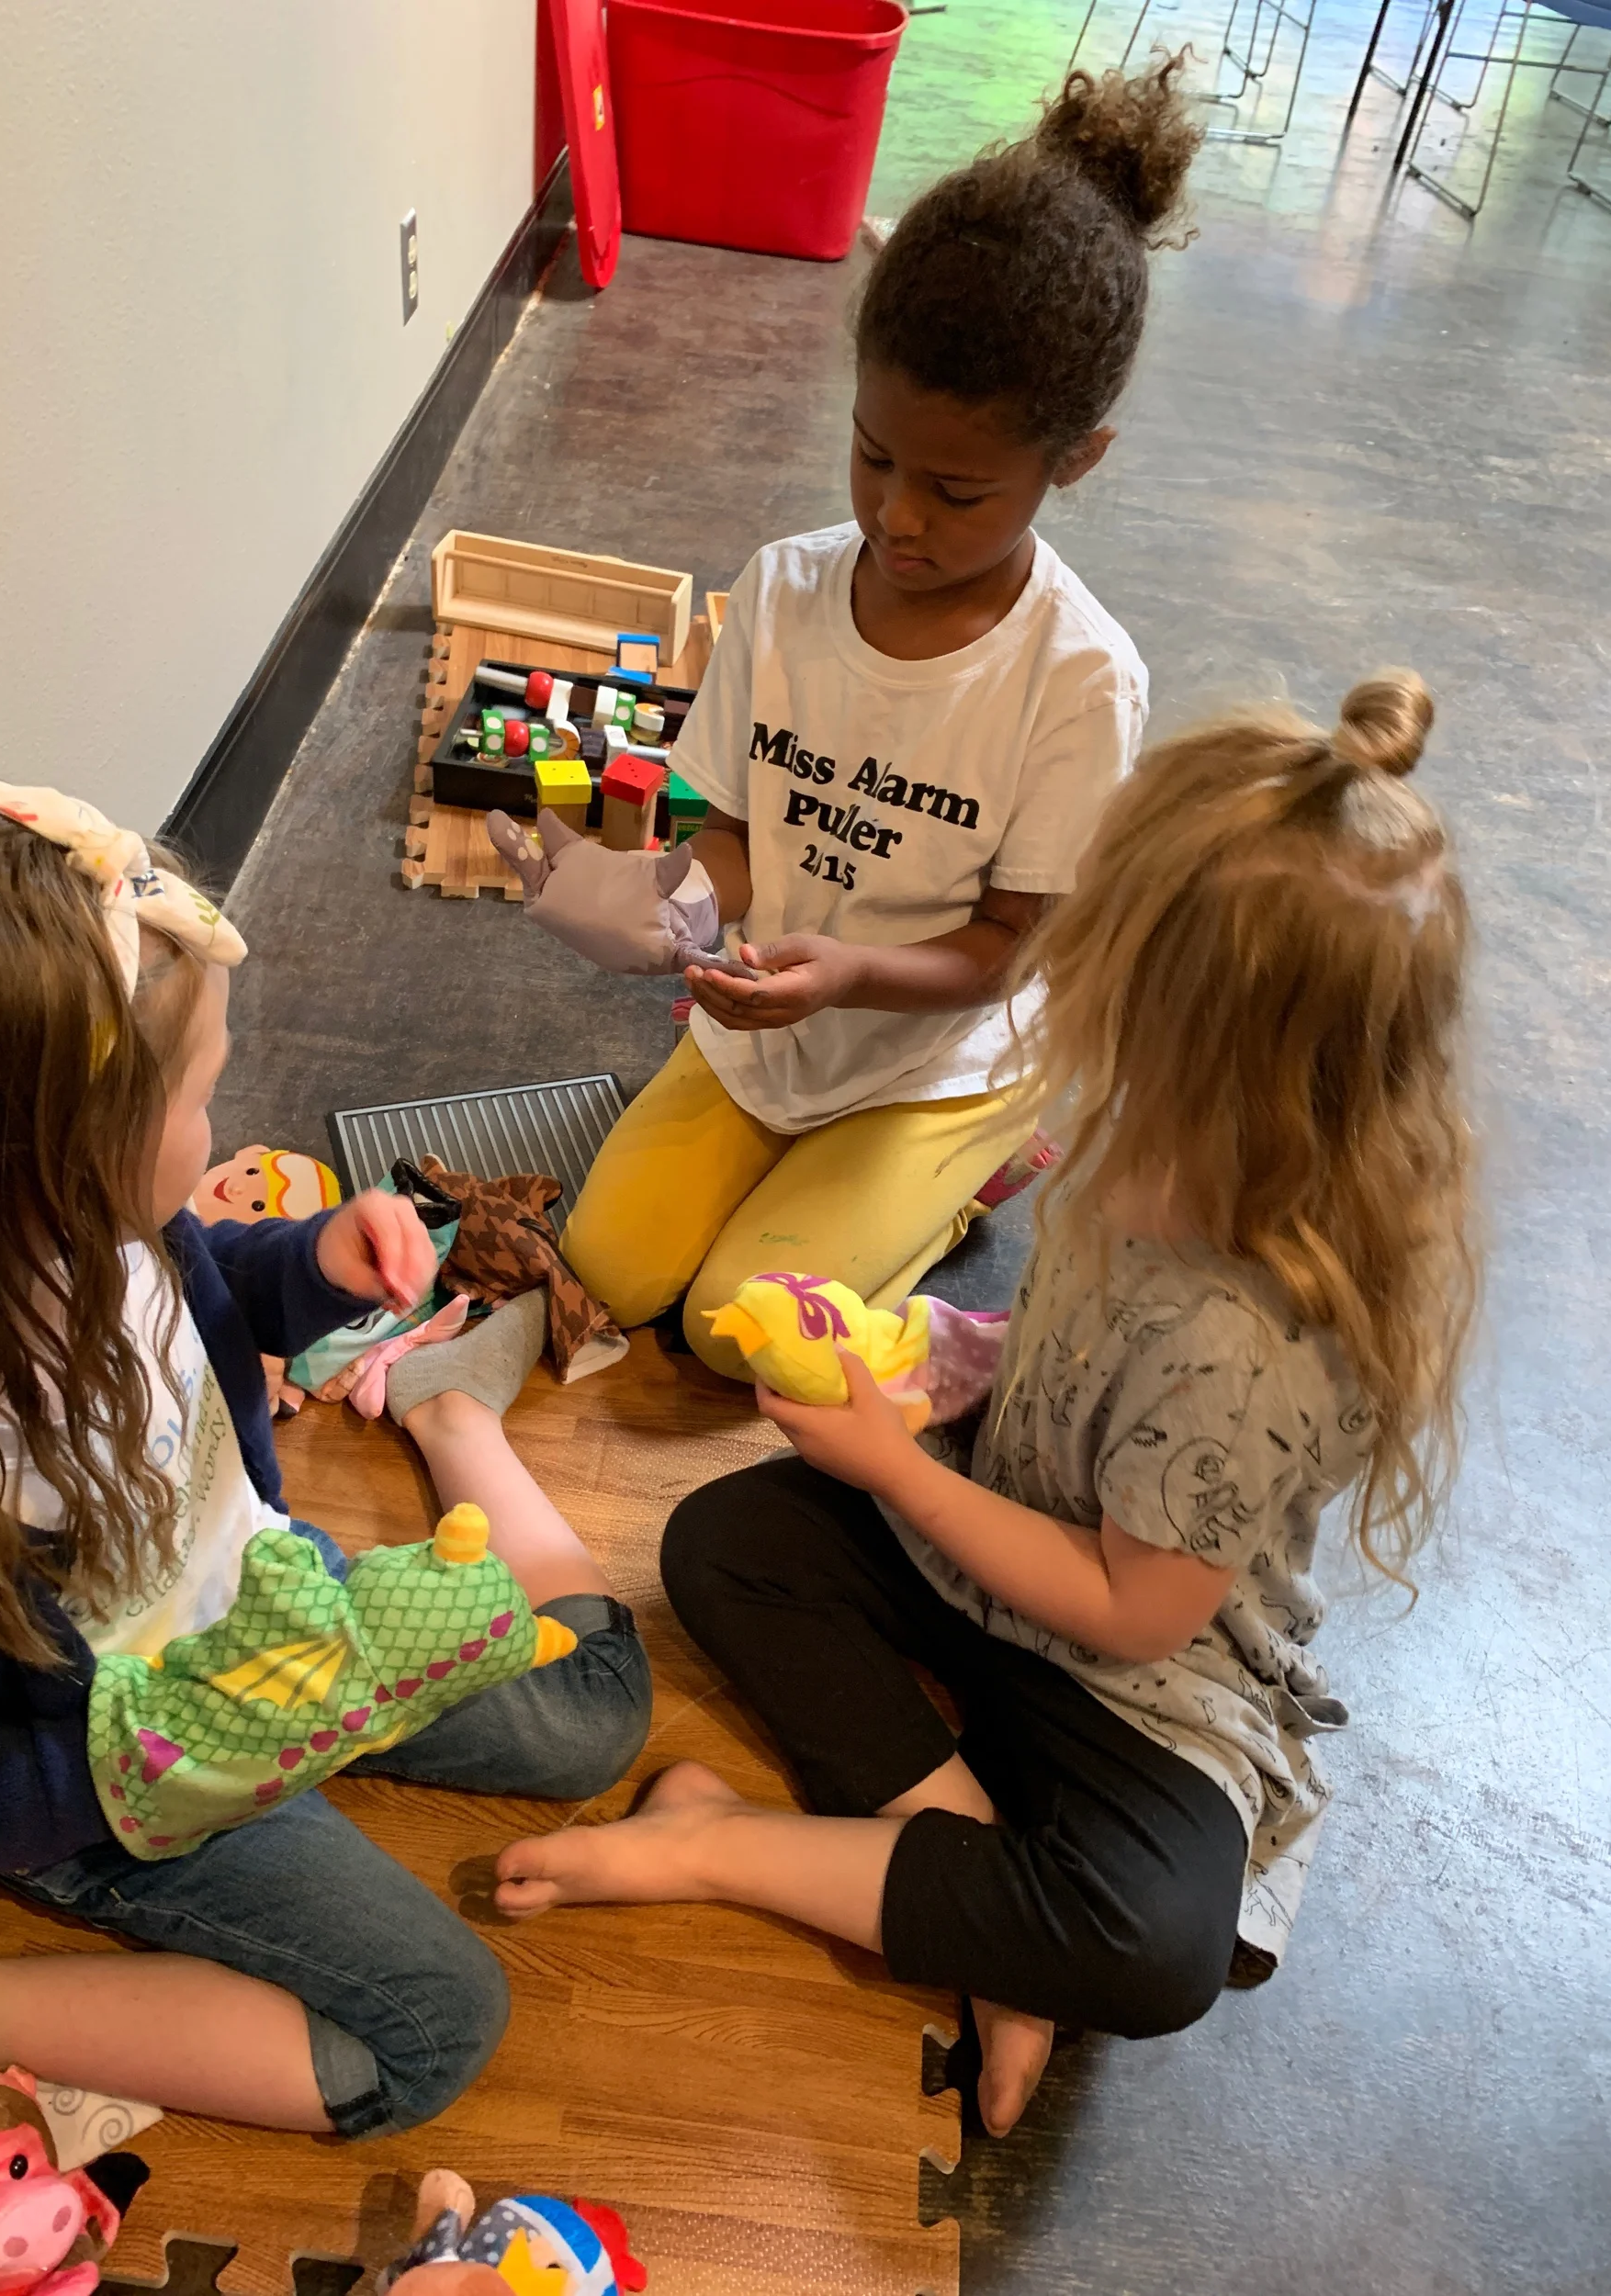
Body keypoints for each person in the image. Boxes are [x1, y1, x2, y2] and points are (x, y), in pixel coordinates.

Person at [495, 673, 1479, 2140]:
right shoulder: (1159, 1137)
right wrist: (953, 1353)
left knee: (1151, 1953)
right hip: (993, 1523)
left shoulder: (1254, 1330)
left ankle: (730, 1849)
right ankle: (975, 1923)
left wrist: (895, 1468)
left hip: (1140, 1670)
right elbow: (1078, 1335)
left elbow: (1136, 1609)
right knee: (726, 1545)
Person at [0, 781, 650, 2137]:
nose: (221, 1141)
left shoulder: (104, 1234)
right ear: (49, 1167)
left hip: (263, 1606)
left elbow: (195, 1302)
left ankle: (446, 1415)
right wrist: (225, 1734)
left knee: (594, 1711)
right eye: (203, 1099)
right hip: (135, 1774)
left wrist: (305, 1266)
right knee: (436, 2028)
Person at [559, 62, 1203, 1379]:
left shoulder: (1079, 679)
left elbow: (1010, 951)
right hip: (778, 1024)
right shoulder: (788, 587)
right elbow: (736, 834)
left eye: (956, 492)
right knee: (612, 1273)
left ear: (1072, 459)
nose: (897, 517)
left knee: (742, 1337)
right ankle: (824, 1175)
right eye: (871, 456)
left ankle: (970, 1171)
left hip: (941, 1051)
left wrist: (846, 976)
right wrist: (677, 903)